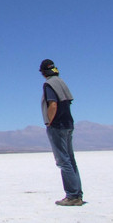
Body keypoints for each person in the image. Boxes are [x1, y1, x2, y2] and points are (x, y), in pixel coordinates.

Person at [39, 59, 83, 206]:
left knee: (63, 161)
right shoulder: (61, 82)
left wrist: (50, 122)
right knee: (70, 160)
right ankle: (77, 195)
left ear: (44, 72)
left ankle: (72, 196)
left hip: (57, 126)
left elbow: (52, 104)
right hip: (69, 124)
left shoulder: (49, 84)